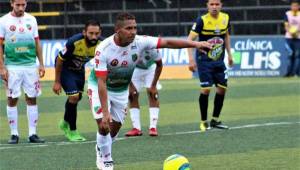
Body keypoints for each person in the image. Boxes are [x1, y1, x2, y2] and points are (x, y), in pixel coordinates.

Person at [87, 12, 212, 170]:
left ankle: (101, 146)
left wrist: (196, 44)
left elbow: (167, 42)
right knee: (104, 124)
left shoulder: (140, 41)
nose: (133, 31)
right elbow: (101, 82)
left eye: (135, 27)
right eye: (128, 28)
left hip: (120, 90)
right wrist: (105, 112)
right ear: (117, 30)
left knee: (114, 128)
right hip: (99, 87)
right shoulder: (103, 49)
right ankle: (105, 158)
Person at [0, 0, 45, 144]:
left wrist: (41, 64)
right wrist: (2, 67)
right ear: (11, 4)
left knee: (32, 97)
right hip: (12, 66)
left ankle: (33, 133)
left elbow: (37, 42)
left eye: (23, 5)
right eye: (17, 5)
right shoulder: (3, 21)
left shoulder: (31, 19)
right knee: (12, 98)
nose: (20, 8)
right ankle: (14, 134)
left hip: (30, 65)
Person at [187, 0, 234, 132]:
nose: (214, 7)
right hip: (204, 61)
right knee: (206, 89)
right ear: (207, 6)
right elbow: (189, 40)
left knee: (222, 89)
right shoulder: (201, 20)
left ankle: (215, 120)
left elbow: (226, 36)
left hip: (219, 61)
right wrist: (191, 60)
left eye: (217, 4)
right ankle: (203, 121)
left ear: (221, 5)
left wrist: (230, 55)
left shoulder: (225, 18)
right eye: (211, 4)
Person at [52, 20, 102, 142]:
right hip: (65, 69)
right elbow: (59, 60)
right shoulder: (74, 42)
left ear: (100, 32)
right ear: (84, 32)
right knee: (74, 97)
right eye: (91, 33)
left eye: (96, 33)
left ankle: (64, 122)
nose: (94, 36)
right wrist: (57, 81)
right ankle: (73, 131)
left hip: (79, 71)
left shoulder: (102, 44)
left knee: (76, 98)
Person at [125, 49, 162, 137]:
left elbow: (160, 65)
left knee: (153, 94)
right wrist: (130, 85)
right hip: (134, 70)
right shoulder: (129, 48)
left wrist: (153, 85)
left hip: (151, 68)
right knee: (132, 95)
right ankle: (136, 128)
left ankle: (153, 127)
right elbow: (125, 67)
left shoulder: (153, 48)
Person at [284, 0, 300, 77]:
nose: (294, 7)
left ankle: (296, 73)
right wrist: (291, 33)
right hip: (289, 38)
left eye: (296, 6)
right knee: (290, 55)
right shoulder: (287, 14)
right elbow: (286, 25)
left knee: (297, 55)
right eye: (293, 6)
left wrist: (297, 33)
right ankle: (288, 73)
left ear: (298, 7)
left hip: (298, 38)